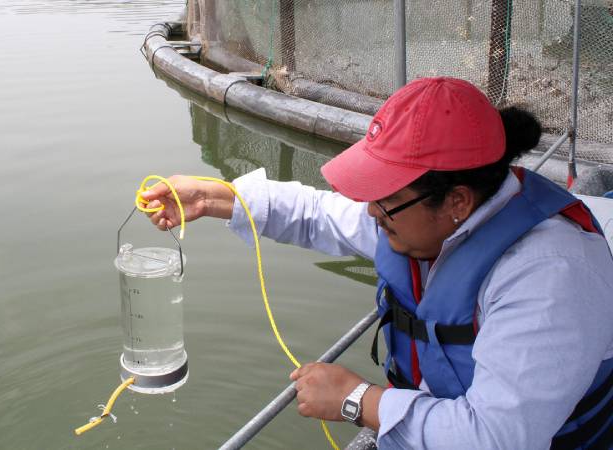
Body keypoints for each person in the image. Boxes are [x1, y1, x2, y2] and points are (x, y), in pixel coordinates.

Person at [139, 77, 613, 449]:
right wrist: (218, 196)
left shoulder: (550, 273)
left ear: (458, 202)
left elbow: (495, 438)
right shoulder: (425, 218)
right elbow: (319, 215)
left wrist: (355, 400)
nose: (370, 211)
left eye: (385, 199)